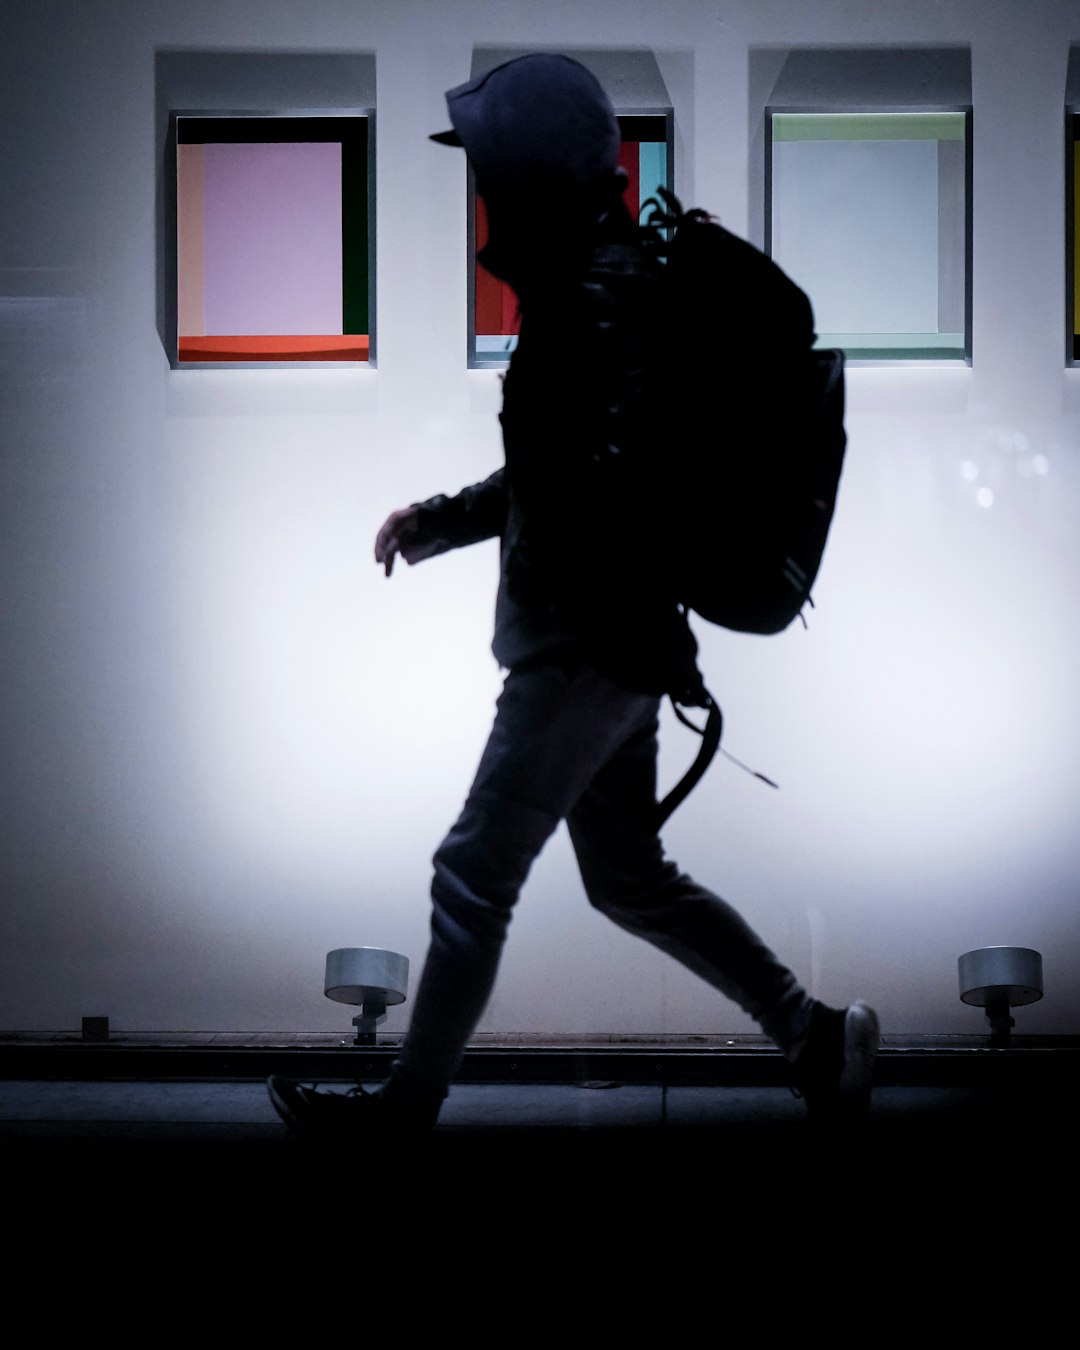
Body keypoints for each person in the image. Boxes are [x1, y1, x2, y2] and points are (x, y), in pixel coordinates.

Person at [267, 53, 878, 1139]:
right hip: (610, 638)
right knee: (628, 876)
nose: (481, 197)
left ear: (529, 179)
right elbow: (568, 468)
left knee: (472, 871)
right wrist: (443, 519)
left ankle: (404, 1113)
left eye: (490, 174)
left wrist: (581, 616)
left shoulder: (594, 292)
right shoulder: (596, 282)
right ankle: (818, 1035)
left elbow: (594, 476)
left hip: (587, 643)